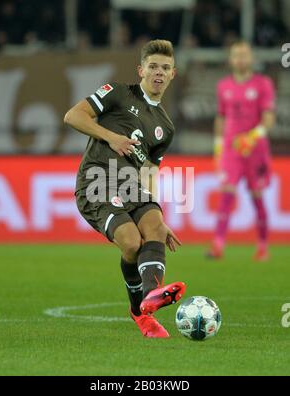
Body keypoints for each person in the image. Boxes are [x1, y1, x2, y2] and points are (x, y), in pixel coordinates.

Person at [64, 40, 186, 338]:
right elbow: (73, 116)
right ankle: (139, 311)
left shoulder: (165, 127)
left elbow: (149, 171)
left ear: (173, 74)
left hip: (133, 186)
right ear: (141, 69)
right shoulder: (118, 93)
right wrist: (112, 138)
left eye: (165, 68)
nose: (159, 72)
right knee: (131, 244)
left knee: (155, 227)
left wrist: (157, 212)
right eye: (154, 66)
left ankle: (150, 299)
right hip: (96, 182)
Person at [207, 41, 276, 261]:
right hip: (231, 149)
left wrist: (254, 136)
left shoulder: (263, 84)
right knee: (227, 193)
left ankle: (263, 246)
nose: (240, 59)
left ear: (251, 59)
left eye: (244, 55)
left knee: (257, 195)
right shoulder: (223, 86)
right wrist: (218, 145)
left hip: (255, 149)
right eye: (236, 55)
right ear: (231, 59)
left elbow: (269, 117)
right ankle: (218, 244)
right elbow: (220, 116)